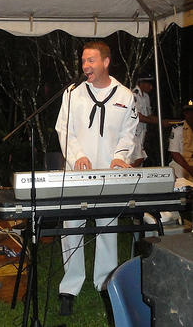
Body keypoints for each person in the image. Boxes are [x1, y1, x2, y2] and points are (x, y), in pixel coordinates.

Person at [55, 41, 138, 316]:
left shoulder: (125, 96)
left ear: (106, 62)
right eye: (83, 61)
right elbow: (64, 130)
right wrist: (77, 155)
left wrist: (120, 155)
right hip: (77, 174)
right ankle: (70, 287)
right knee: (71, 229)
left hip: (109, 175)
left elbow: (129, 132)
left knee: (108, 229)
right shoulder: (73, 94)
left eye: (91, 60)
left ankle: (105, 283)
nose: (85, 66)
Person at [130, 72, 172, 167]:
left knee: (141, 159)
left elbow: (149, 116)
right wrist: (160, 123)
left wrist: (164, 121)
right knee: (135, 159)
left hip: (142, 133)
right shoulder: (133, 96)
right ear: (143, 84)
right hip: (134, 133)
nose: (151, 88)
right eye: (150, 85)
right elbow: (139, 116)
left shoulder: (146, 97)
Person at [168, 101, 193, 182]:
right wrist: (189, 169)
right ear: (186, 114)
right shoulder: (178, 128)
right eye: (189, 113)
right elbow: (174, 152)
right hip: (181, 164)